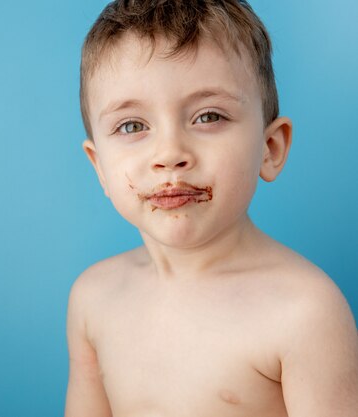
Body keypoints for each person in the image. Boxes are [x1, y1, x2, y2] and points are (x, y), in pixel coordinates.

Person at [64, 1, 358, 416]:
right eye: (132, 126)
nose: (169, 154)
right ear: (100, 169)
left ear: (270, 149)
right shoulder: (93, 298)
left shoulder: (304, 313)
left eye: (208, 116)